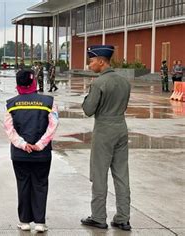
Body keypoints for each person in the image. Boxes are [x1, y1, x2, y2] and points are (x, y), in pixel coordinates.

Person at [80, 45, 132, 231]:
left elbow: (88, 110)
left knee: (99, 174)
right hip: (121, 127)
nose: (89, 65)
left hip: (104, 130)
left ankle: (98, 216)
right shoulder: (124, 81)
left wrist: (87, 97)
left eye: (92, 61)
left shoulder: (99, 83)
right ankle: (123, 218)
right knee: (121, 175)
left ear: (101, 61)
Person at [3, 69, 59, 233]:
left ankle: (24, 221)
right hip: (42, 154)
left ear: (18, 84)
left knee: (23, 184)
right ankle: (40, 222)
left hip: (20, 154)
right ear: (34, 83)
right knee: (41, 184)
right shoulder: (49, 102)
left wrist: (22, 144)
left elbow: (8, 128)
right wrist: (40, 144)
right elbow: (53, 124)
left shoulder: (11, 103)